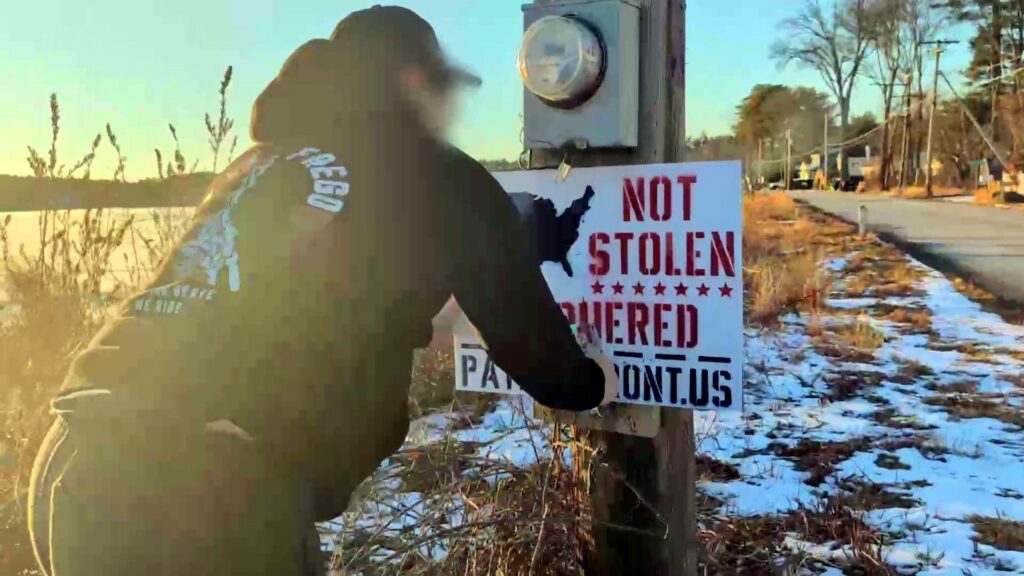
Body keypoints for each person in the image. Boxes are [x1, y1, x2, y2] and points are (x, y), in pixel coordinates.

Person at [27, 6, 617, 576]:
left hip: (74, 456)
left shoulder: (258, 163)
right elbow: (522, 329)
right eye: (440, 87)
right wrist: (593, 383)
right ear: (411, 82)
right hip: (200, 479)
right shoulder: (435, 171)